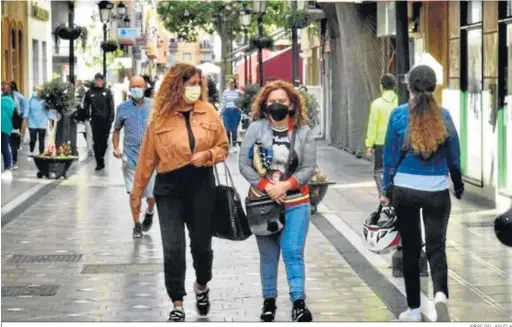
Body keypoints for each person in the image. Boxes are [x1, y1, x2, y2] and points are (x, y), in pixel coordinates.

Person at [130, 63, 228, 321]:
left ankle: (202, 285)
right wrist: (136, 195)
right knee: (173, 248)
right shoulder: (159, 117)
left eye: (198, 83)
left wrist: (208, 154)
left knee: (202, 247)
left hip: (201, 184)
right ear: (176, 86)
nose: (195, 88)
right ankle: (177, 303)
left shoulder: (208, 112)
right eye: (190, 83)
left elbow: (223, 147)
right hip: (169, 187)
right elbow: (146, 160)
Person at [380, 65, 464, 322]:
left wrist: (386, 190)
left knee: (412, 249)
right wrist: (458, 186)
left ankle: (414, 310)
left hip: (405, 190)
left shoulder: (397, 115)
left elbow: (389, 159)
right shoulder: (446, 116)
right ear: (435, 86)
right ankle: (440, 295)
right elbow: (454, 159)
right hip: (436, 191)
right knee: (436, 248)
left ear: (409, 87)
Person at [239, 80, 317, 322]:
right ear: (264, 105)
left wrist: (285, 185)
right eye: (272, 102)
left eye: (282, 101)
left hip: (296, 201)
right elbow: (243, 163)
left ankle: (299, 303)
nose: (277, 105)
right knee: (268, 255)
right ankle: (269, 302)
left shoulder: (304, 132)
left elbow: (308, 168)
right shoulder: (256, 129)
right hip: (262, 204)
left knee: (293, 252)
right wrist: (267, 187)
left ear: (292, 104)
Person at [113, 76, 156, 238]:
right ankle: (137, 224)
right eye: (134, 86)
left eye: (140, 86)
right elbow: (116, 130)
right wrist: (116, 147)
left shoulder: (154, 106)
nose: (137, 89)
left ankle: (150, 212)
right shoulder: (122, 108)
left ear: (145, 87)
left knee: (151, 195)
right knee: (134, 193)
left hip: (150, 158)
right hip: (130, 157)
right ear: (129, 88)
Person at [365, 74, 398, 224]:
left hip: (380, 142)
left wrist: (369, 144)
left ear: (381, 86)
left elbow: (373, 124)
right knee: (395, 170)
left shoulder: (377, 104)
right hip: (397, 142)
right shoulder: (400, 101)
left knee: (379, 171)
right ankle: (395, 196)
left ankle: (384, 196)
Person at [83, 73, 115, 171]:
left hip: (106, 121)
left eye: (101, 80)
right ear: (95, 81)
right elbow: (85, 106)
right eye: (97, 80)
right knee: (96, 141)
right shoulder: (90, 92)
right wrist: (88, 117)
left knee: (104, 142)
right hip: (95, 120)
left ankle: (101, 157)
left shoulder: (107, 92)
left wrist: (111, 119)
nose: (100, 82)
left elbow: (111, 106)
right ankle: (99, 162)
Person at [23, 86, 49, 155]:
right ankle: (31, 151)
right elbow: (27, 109)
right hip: (32, 122)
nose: (36, 92)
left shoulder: (45, 100)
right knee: (33, 139)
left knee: (41, 139)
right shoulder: (31, 100)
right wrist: (25, 118)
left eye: (38, 91)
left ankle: (41, 153)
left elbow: (48, 110)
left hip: (42, 122)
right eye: (35, 90)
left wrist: (51, 120)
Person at [220, 78, 243, 150]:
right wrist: (221, 112)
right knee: (227, 128)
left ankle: (234, 144)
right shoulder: (225, 92)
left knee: (234, 128)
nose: (231, 84)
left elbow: (241, 102)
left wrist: (241, 110)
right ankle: (228, 143)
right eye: (230, 82)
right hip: (227, 111)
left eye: (233, 82)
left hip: (235, 111)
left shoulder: (238, 92)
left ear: (235, 83)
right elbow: (223, 103)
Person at [1, 88, 15, 181]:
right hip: (7, 127)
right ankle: (7, 169)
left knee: (4, 148)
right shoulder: (12, 101)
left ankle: (7, 169)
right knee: (5, 148)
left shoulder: (2, 101)